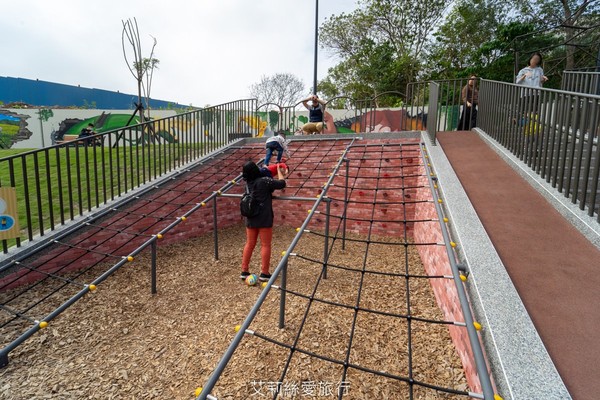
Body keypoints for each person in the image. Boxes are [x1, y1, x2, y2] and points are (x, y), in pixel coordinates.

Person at [240, 160, 287, 282]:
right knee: (265, 244)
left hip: (251, 217)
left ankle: (244, 270)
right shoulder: (263, 181)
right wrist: (278, 170)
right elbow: (282, 183)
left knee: (250, 243)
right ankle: (264, 273)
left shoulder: (248, 183)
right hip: (264, 217)